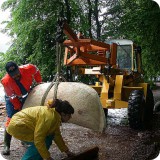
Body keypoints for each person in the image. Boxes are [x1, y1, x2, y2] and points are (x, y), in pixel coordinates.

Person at [6, 99, 75, 160]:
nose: (70, 117)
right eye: (69, 115)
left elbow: (56, 135)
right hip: (19, 127)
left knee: (49, 137)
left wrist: (66, 151)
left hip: (19, 124)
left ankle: (38, 156)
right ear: (63, 114)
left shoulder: (54, 114)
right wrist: (47, 157)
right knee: (43, 141)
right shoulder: (50, 118)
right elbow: (38, 139)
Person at [1, 61, 42, 155]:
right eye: (13, 75)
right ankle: (6, 145)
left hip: (25, 94)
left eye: (16, 73)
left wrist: (39, 82)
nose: (15, 76)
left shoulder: (29, 68)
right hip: (12, 98)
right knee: (11, 119)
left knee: (26, 117)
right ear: (8, 74)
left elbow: (36, 70)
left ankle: (24, 140)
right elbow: (12, 98)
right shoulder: (5, 81)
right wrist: (19, 108)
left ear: (19, 69)